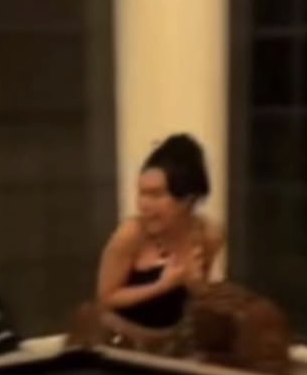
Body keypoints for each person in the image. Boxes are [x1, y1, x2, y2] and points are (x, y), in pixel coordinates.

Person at [87, 134, 225, 351]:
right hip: (122, 341)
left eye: (156, 195)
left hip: (174, 343)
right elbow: (106, 298)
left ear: (187, 200)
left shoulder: (208, 235)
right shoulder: (130, 235)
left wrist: (196, 285)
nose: (144, 205)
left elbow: (199, 301)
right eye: (142, 193)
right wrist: (161, 285)